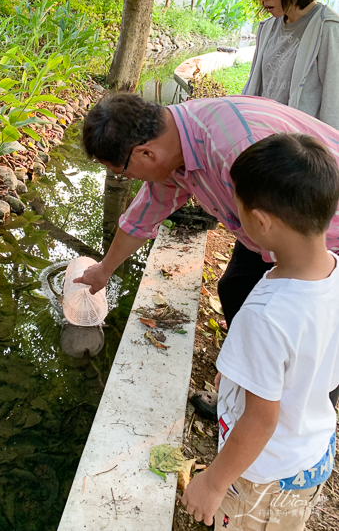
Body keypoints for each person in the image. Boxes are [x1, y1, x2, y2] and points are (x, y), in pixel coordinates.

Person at [77, 94, 339, 403]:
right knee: (236, 288)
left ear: (146, 153)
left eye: (122, 171)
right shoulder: (174, 147)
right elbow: (143, 215)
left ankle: (291, 413)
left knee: (313, 337)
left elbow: (298, 232)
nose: (126, 179)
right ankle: (243, 394)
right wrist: (104, 270)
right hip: (273, 232)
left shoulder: (234, 151)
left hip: (322, 231)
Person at [192, 0, 339, 419]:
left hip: (306, 183)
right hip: (266, 177)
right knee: (237, 287)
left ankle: (309, 407)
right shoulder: (268, 29)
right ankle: (246, 392)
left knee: (312, 306)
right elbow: (253, 93)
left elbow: (333, 120)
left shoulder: (330, 30)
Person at [181, 133, 339, 529]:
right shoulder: (331, 271)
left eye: (238, 205)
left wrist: (214, 482)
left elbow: (262, 419)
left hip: (263, 475)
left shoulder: (266, 315)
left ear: (262, 222)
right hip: (311, 448)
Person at [243, 0, 339, 130]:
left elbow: (334, 106)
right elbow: (255, 87)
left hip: (300, 150)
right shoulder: (267, 28)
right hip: (264, 141)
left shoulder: (328, 28)